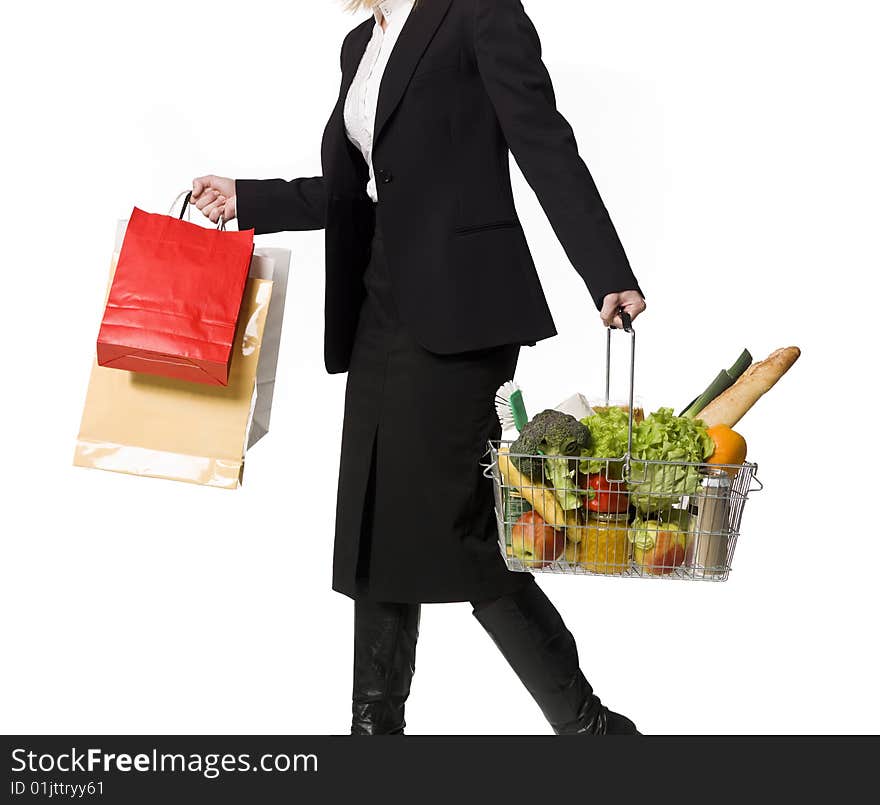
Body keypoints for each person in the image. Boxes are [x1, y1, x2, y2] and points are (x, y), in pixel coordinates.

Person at [191, 0, 647, 735]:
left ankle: (591, 729)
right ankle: (374, 733)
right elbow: (359, 191)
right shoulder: (358, 46)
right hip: (380, 308)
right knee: (374, 519)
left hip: (465, 311)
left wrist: (607, 272)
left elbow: (542, 142)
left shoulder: (477, 12)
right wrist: (250, 199)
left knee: (461, 525)